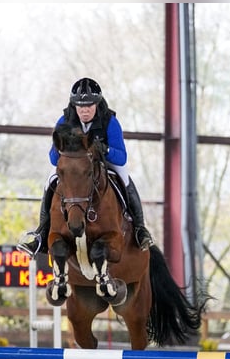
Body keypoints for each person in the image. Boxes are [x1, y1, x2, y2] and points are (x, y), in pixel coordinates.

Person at [17, 77, 154, 257]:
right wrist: (61, 148)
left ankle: (139, 228)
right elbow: (53, 158)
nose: (84, 110)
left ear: (97, 104)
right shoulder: (64, 120)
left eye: (89, 105)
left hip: (104, 163)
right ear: (74, 105)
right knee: (49, 180)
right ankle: (41, 233)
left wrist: (104, 149)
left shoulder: (110, 121)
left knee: (125, 177)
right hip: (75, 165)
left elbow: (121, 158)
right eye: (80, 106)